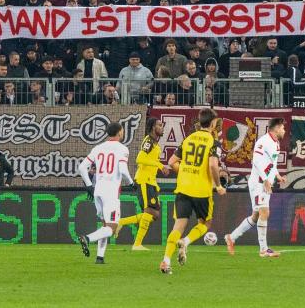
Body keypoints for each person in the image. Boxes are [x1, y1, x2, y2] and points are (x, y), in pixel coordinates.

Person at [160, 107, 226, 274]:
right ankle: (186, 242)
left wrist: (185, 170)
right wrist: (218, 185)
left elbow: (172, 161)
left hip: (183, 188)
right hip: (202, 191)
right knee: (205, 223)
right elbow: (212, 165)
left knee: (178, 225)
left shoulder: (188, 139)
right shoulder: (213, 142)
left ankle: (166, 261)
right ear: (212, 123)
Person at [224, 117, 286, 258]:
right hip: (259, 182)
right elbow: (256, 161)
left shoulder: (276, 143)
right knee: (265, 212)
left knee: (256, 216)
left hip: (265, 182)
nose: (284, 130)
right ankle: (263, 249)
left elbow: (272, 163)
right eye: (282, 128)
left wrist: (278, 176)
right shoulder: (263, 141)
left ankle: (231, 237)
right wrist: (265, 180)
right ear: (276, 128)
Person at [77, 122, 133, 264]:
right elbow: (123, 169)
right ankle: (87, 238)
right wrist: (132, 183)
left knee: (105, 225)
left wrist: (89, 186)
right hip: (111, 191)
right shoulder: (122, 149)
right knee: (112, 228)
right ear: (119, 132)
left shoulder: (98, 148)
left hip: (98, 190)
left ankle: (100, 257)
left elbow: (82, 167)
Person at [114, 117, 169, 250]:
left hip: (151, 181)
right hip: (144, 180)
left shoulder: (155, 143)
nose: (162, 127)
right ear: (152, 128)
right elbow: (140, 158)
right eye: (159, 125)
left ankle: (121, 222)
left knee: (154, 214)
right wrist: (160, 165)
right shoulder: (148, 141)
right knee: (149, 211)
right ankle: (137, 244)